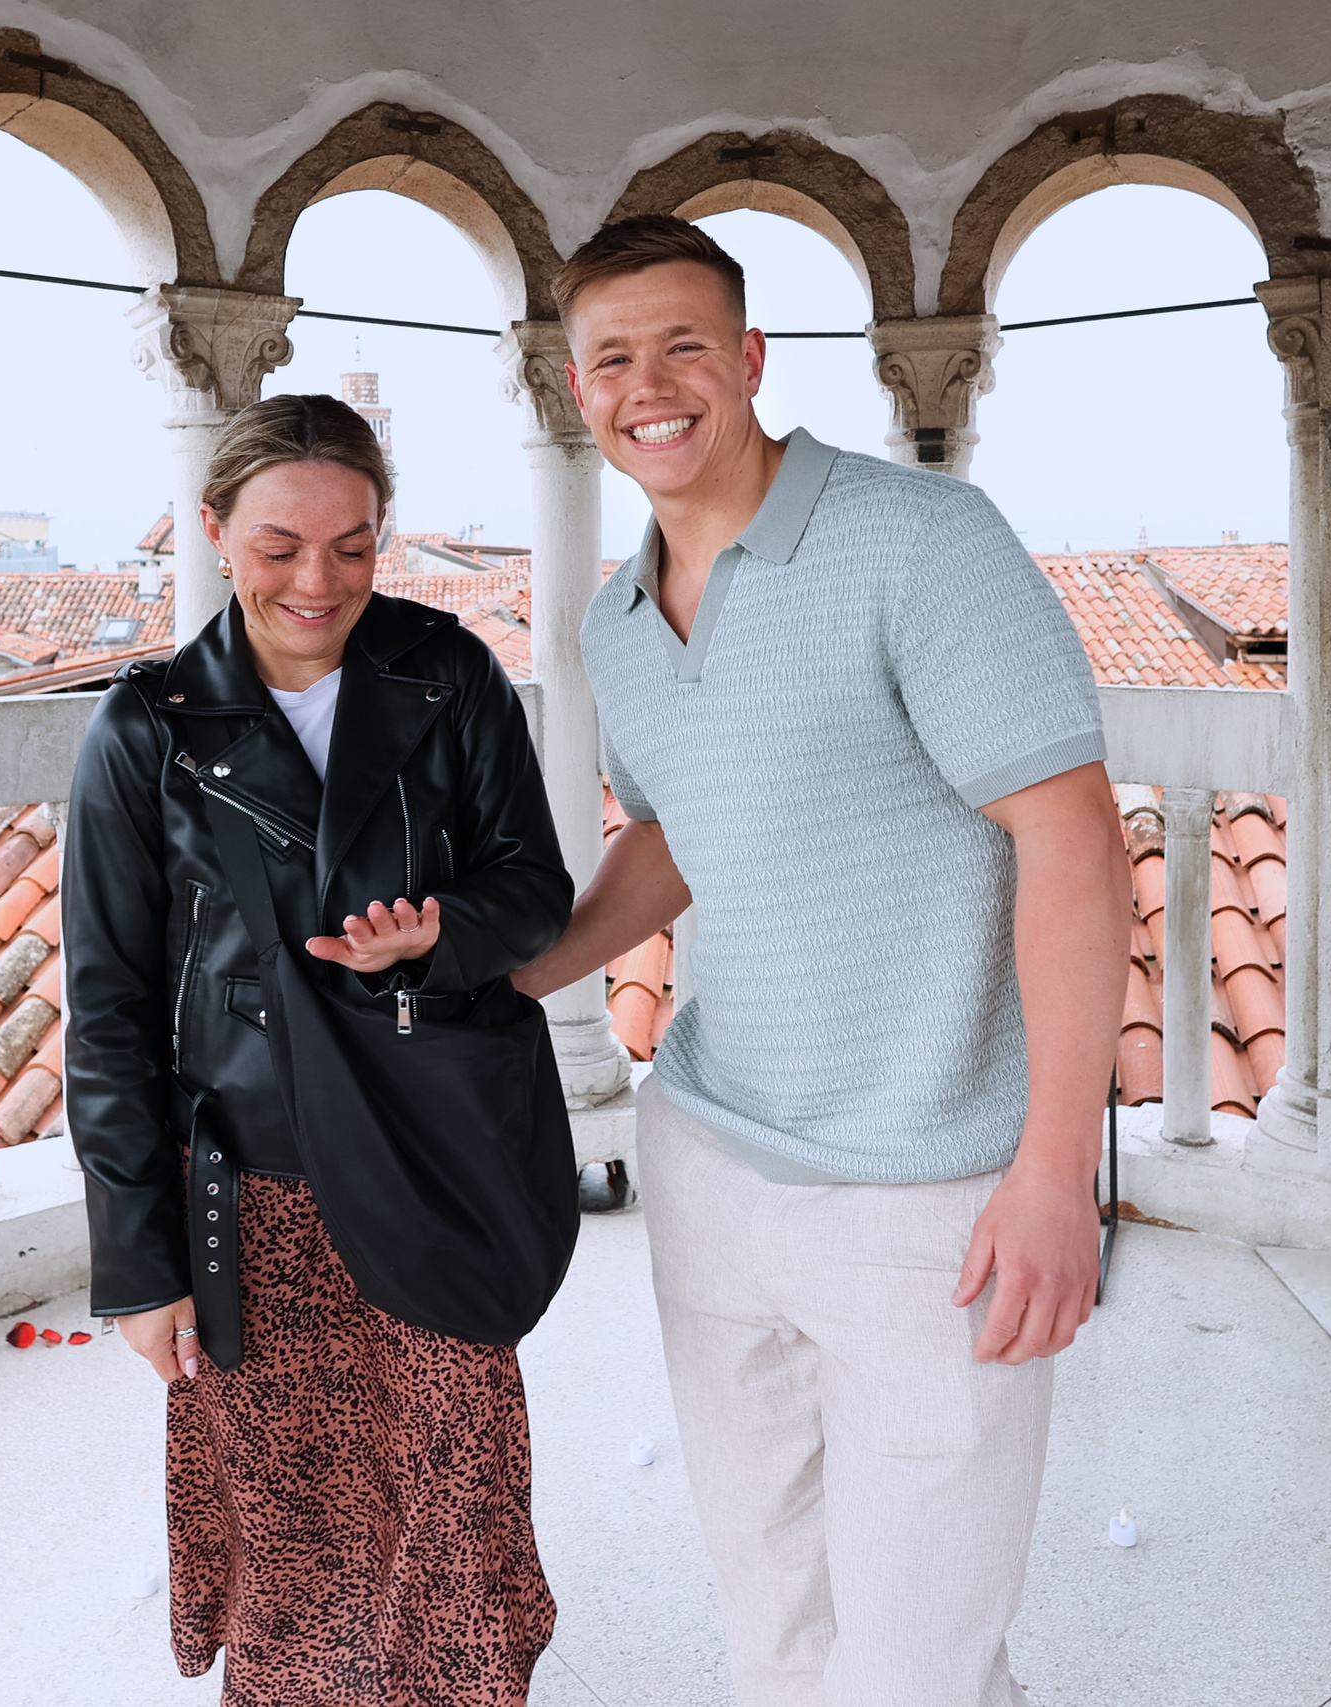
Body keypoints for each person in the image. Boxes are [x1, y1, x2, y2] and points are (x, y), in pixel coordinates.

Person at [513, 214, 1131, 1706]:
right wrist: (524, 975)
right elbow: (669, 838)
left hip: (931, 1194)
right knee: (773, 1615)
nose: (648, 384)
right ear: (576, 392)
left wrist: (1055, 1170)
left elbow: (1073, 845)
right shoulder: (613, 621)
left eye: (682, 346)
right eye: (611, 359)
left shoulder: (920, 543)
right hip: (713, 1158)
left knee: (921, 1656)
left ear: (748, 360)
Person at [63, 393, 576, 1705]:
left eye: (353, 546)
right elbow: (110, 1007)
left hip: (429, 1164)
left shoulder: (445, 674)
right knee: (298, 1535)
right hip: (258, 1189)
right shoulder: (145, 730)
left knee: (463, 1498)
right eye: (282, 545)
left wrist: (438, 935)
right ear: (214, 531)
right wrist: (140, 1262)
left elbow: (529, 890)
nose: (320, 580)